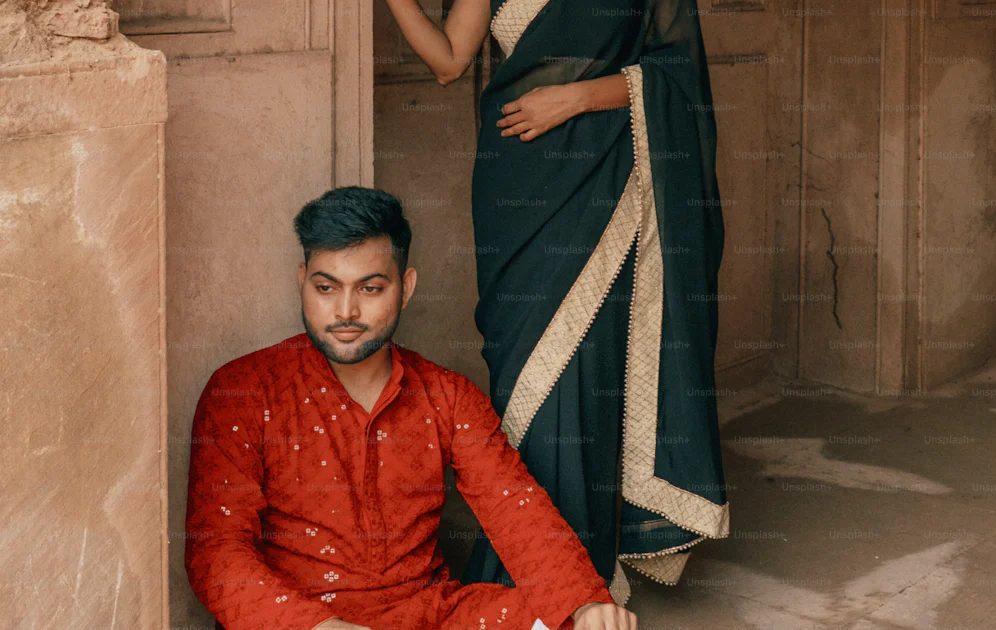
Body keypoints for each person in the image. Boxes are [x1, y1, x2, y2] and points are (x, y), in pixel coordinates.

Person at [386, 0, 729, 604]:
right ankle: (531, 563)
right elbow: (448, 60)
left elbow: (678, 75)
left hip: (602, 174)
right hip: (517, 180)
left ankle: (575, 572)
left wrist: (573, 98)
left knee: (587, 363)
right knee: (522, 375)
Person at [184, 187, 637, 630]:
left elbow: (514, 507)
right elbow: (217, 554)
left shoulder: (447, 396)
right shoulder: (242, 391)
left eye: (370, 288)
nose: (345, 311)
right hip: (297, 619)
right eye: (326, 287)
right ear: (301, 280)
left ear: (406, 288)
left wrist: (584, 601)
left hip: (427, 614)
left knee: (570, 621)